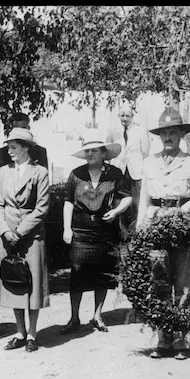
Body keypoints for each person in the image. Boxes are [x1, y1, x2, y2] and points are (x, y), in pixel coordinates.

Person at [136, 108, 190, 360]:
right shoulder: (149, 163)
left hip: (184, 229)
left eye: (173, 132)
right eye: (164, 133)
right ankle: (162, 337)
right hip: (156, 229)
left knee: (183, 284)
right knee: (159, 282)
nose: (168, 137)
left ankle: (180, 339)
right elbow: (144, 200)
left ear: (180, 135)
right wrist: (140, 231)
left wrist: (179, 213)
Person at [61, 139, 133, 334]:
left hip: (105, 231)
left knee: (103, 275)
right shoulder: (76, 174)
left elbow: (128, 196)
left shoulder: (115, 174)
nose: (90, 154)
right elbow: (68, 202)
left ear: (103, 153)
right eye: (87, 151)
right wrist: (67, 229)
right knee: (77, 275)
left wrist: (117, 211)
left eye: (94, 151)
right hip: (81, 231)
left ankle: (97, 316)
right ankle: (74, 317)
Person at [0, 127, 50, 352]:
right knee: (13, 280)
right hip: (7, 235)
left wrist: (20, 231)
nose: (10, 151)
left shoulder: (40, 172)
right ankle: (20, 332)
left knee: (32, 283)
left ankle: (32, 335)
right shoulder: (3, 172)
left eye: (14, 147)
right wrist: (4, 230)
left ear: (26, 148)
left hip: (31, 235)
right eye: (8, 147)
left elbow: (42, 207)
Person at [107, 103, 150, 236]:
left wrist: (144, 170)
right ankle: (122, 232)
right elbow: (108, 149)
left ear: (132, 116)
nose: (124, 118)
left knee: (136, 203)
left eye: (127, 116)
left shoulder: (140, 131)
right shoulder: (113, 131)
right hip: (119, 171)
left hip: (135, 172)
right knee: (119, 201)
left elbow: (146, 152)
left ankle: (136, 232)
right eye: (122, 116)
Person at [0, 112, 48, 183]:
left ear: (28, 128)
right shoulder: (2, 153)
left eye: (23, 129)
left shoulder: (40, 152)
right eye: (16, 129)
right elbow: (0, 183)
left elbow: (43, 181)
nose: (19, 133)